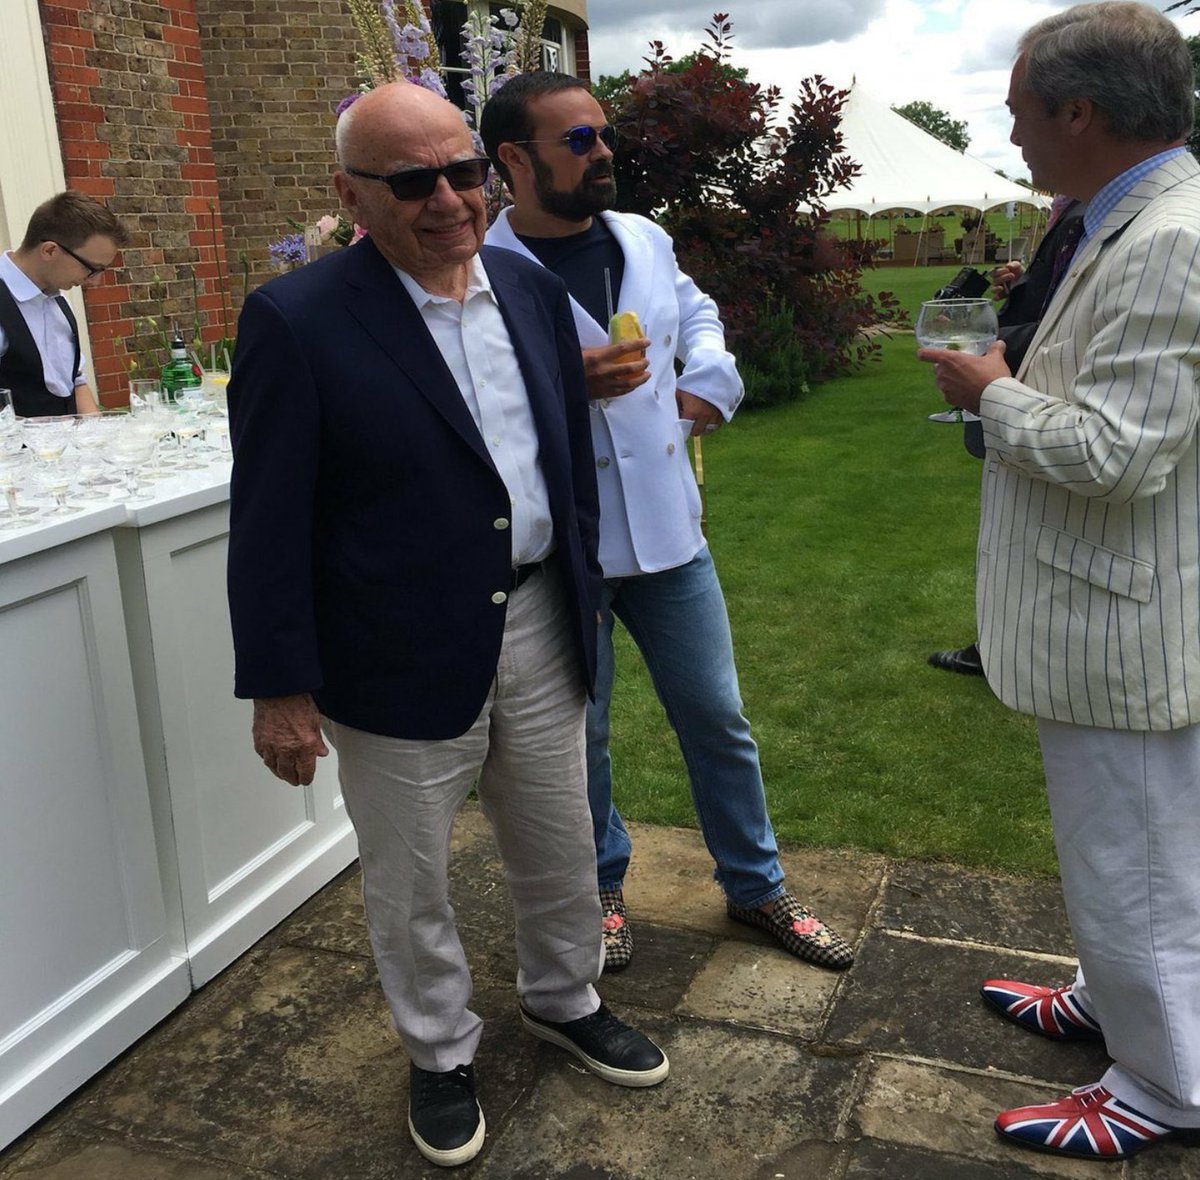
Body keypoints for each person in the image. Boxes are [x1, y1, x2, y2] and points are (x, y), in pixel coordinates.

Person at [226, 81, 667, 1171]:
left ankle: (565, 997)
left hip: (544, 618)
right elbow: (270, 519)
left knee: (560, 837)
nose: (448, 200)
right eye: (412, 181)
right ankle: (438, 1049)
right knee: (411, 871)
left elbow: (561, 460)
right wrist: (281, 686)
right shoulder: (297, 319)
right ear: (351, 195)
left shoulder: (524, 286)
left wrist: (585, 586)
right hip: (392, 642)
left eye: (464, 172)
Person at [479, 72, 853, 975]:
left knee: (717, 717)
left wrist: (711, 379)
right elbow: (469, 400)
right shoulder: (482, 273)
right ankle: (600, 886)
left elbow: (698, 313)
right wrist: (567, 384)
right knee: (583, 737)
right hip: (562, 550)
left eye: (604, 134)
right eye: (579, 141)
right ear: (514, 159)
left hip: (667, 533)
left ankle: (757, 885)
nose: (604, 152)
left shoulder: (642, 237)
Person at [919, 2, 1200, 1161]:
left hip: (1125, 618)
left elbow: (1118, 455)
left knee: (1139, 854)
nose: (1011, 131)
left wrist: (988, 389)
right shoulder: (1115, 219)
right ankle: (1115, 998)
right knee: (1122, 844)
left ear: (1078, 112)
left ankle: (1165, 1085)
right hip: (1106, 605)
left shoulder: (1171, 238)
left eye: (1020, 110)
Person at [926, 194, 1084, 678]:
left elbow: (1070, 327)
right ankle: (998, 643)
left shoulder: (1089, 213)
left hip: (1041, 407)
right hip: (1022, 404)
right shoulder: (1069, 210)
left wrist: (984, 348)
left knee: (1038, 536)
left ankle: (1000, 648)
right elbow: (1055, 299)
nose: (1022, 155)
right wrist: (1019, 290)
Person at [0, 191, 126, 417]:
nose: (95, 281)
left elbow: (75, 382)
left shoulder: (59, 301)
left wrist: (99, 433)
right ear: (49, 250)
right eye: (91, 268)